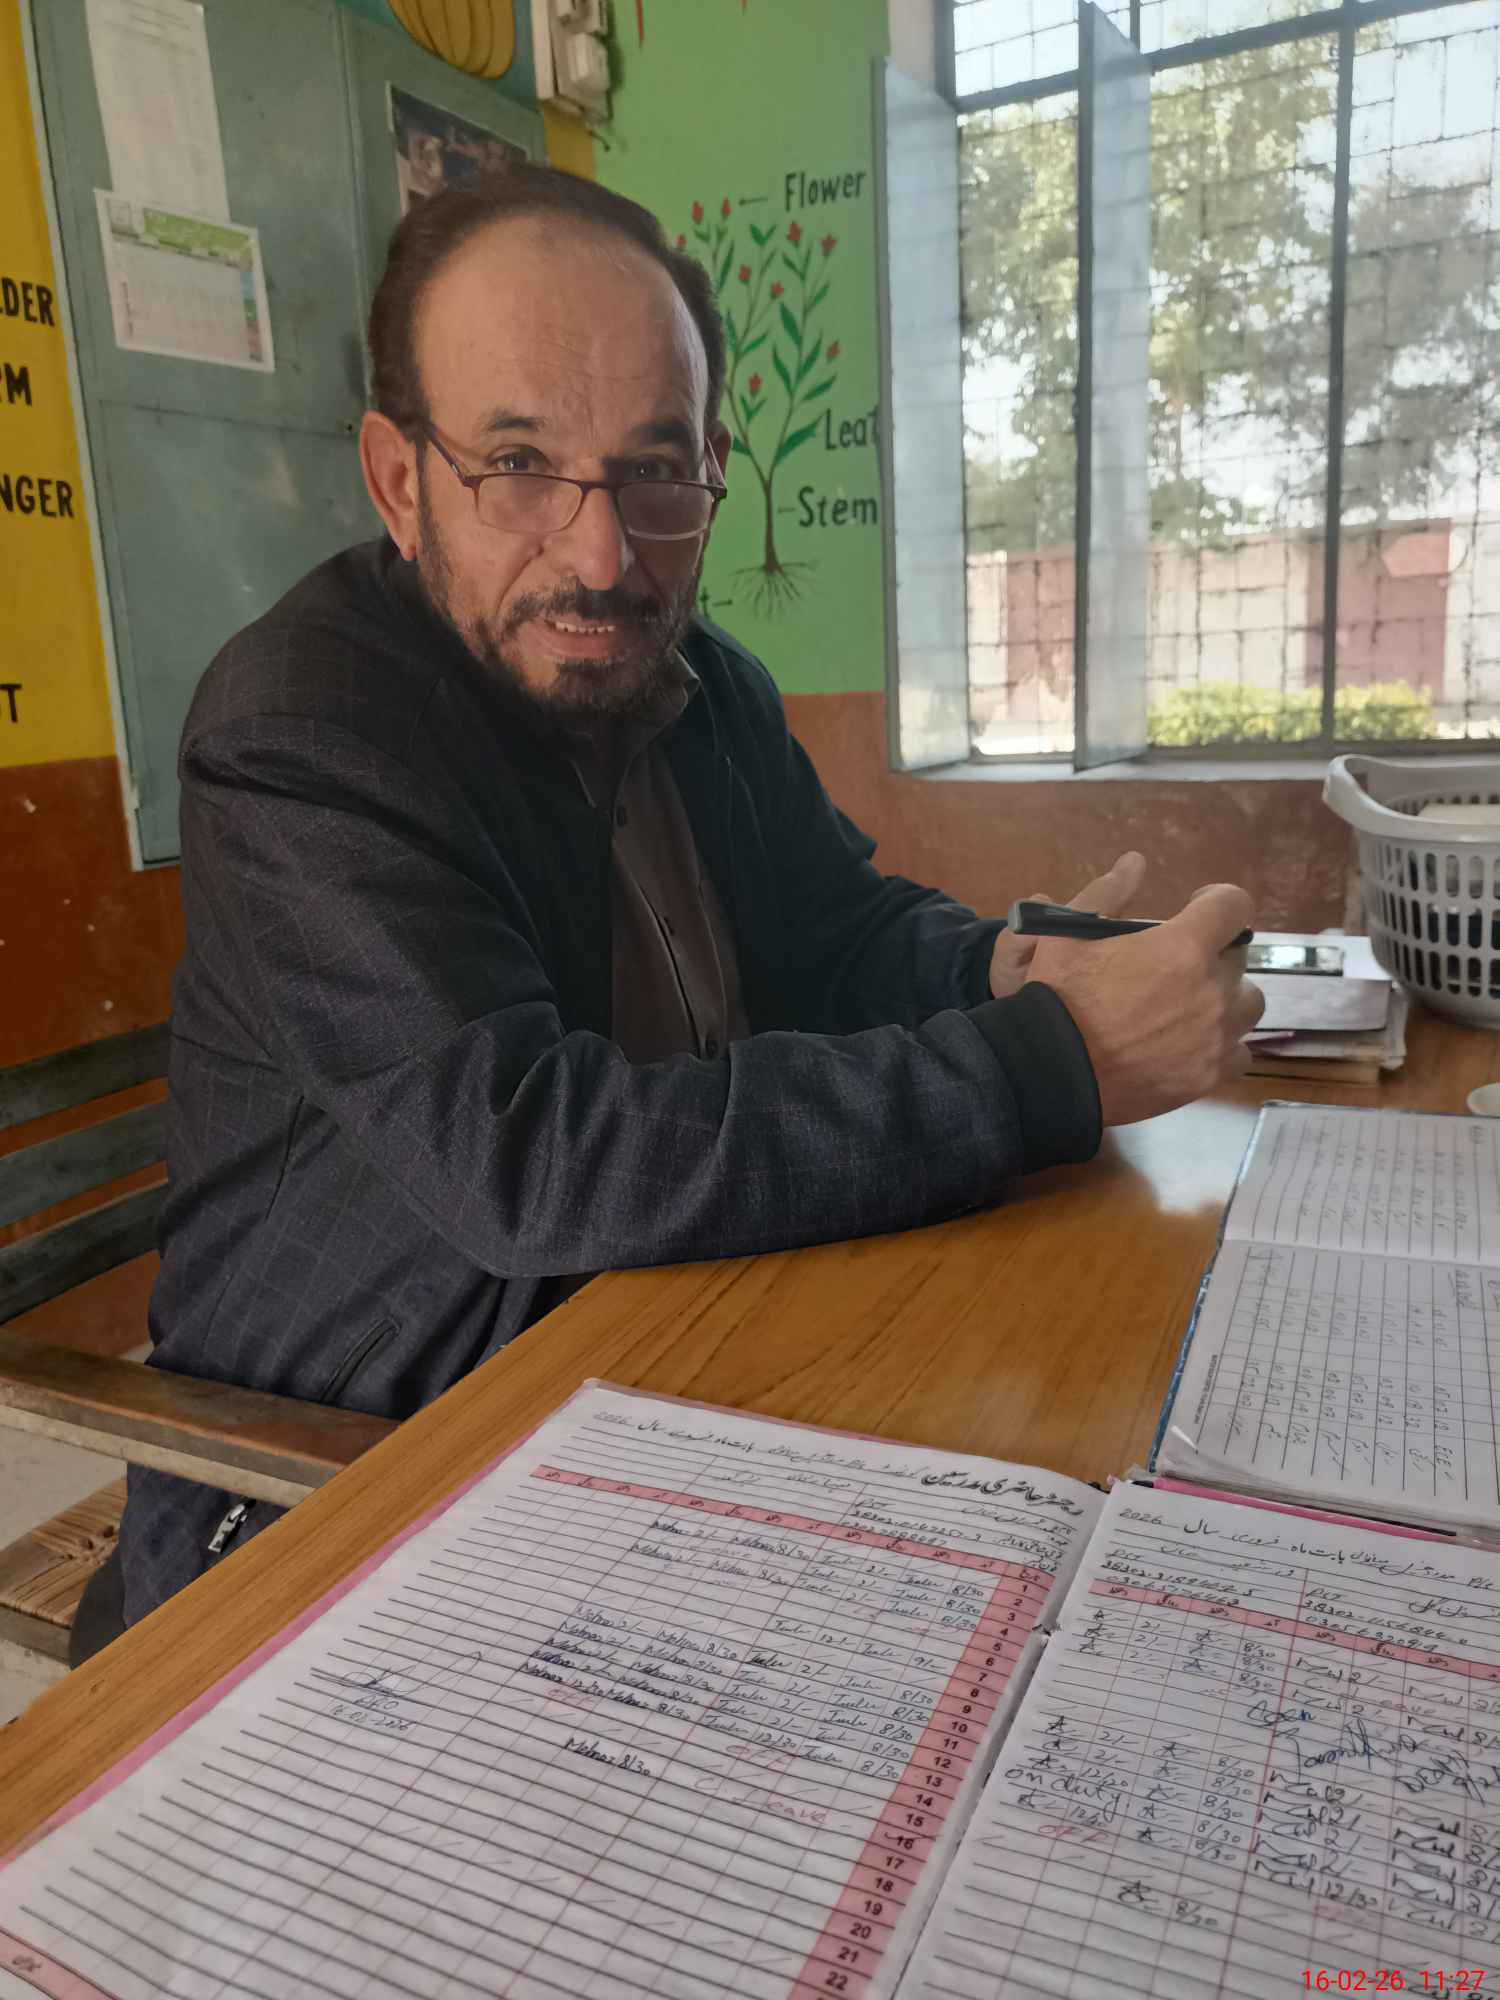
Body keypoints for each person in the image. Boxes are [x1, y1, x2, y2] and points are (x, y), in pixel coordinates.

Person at [94, 163, 1262, 1650]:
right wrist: (1055, 1063)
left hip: (654, 1353)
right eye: (517, 464)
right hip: (339, 1473)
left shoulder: (702, 682)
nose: (601, 558)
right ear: (399, 481)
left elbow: (837, 933)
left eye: (654, 472)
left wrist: (1007, 966)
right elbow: (534, 1159)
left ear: (710, 465)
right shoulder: (304, 733)